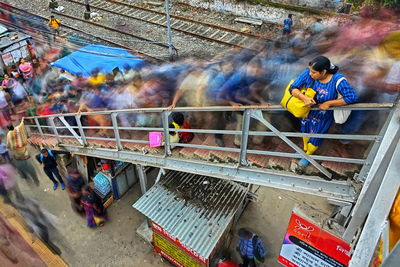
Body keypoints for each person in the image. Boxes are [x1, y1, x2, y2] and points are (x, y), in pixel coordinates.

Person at [288, 56, 358, 173]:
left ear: (324, 72)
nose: (310, 74)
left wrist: (329, 103)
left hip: (323, 117)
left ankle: (308, 155)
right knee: (305, 131)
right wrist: (303, 97)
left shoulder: (338, 80)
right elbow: (293, 87)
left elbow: (351, 97)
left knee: (316, 136)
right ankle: (304, 149)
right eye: (310, 70)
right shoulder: (308, 73)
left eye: (314, 72)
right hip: (307, 113)